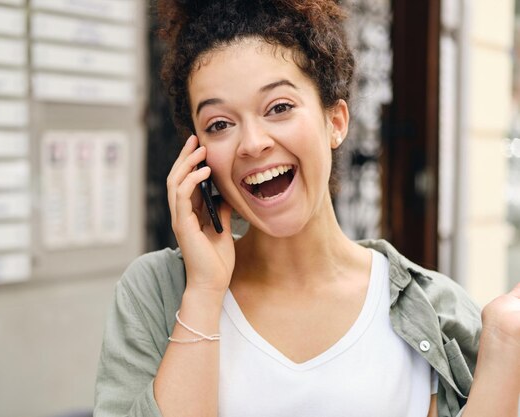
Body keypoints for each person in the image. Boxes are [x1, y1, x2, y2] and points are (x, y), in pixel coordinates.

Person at [94, 0, 520, 416]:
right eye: (219, 124)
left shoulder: (436, 311)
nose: (253, 143)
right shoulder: (156, 292)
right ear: (198, 155)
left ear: (335, 121)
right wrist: (204, 293)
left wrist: (504, 348)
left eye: (279, 108)